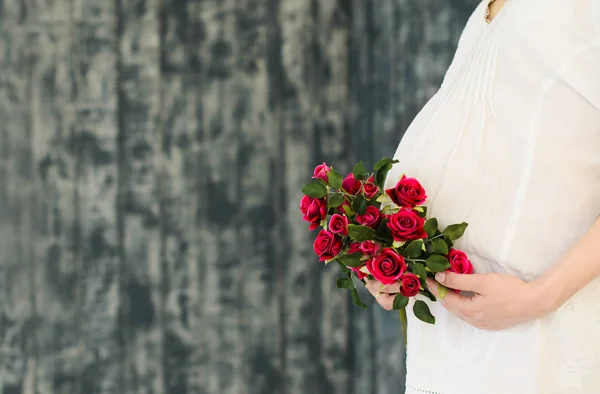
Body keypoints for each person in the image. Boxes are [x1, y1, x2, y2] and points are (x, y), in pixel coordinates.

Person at [364, 0, 600, 393]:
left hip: (542, 341)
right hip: (458, 344)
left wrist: (538, 298)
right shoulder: (487, 13)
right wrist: (395, 260)